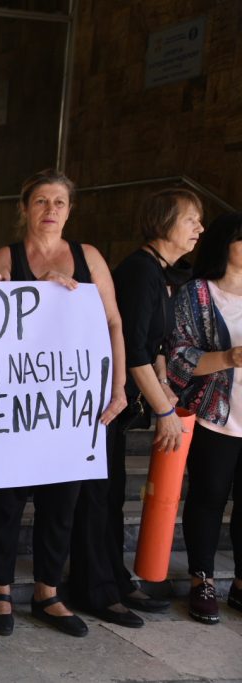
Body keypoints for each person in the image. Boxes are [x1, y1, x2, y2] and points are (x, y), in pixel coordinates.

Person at [0, 169, 127, 638]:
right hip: (15, 401)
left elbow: (113, 324)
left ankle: (48, 591)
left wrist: (119, 386)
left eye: (59, 202)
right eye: (41, 201)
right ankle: (0, 588)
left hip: (72, 403)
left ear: (70, 210)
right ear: (24, 208)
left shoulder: (88, 257)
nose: (50, 211)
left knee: (63, 499)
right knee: (5, 496)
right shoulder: (8, 255)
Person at [68, 189, 203, 627]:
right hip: (103, 400)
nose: (199, 229)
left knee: (109, 497)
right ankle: (94, 589)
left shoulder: (160, 272)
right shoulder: (141, 273)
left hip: (120, 404)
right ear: (165, 222)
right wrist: (165, 411)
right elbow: (136, 352)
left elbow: (156, 346)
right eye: (190, 220)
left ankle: (115, 579)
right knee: (97, 498)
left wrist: (163, 390)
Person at [168, 211, 242, 625]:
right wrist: (229, 358)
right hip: (214, 415)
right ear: (225, 245)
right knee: (209, 498)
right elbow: (178, 358)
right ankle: (203, 579)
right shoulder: (196, 294)